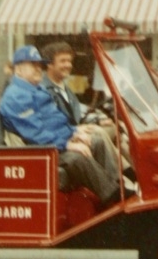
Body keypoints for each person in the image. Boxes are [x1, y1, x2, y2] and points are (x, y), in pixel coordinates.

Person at [0, 45, 120, 206]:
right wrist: (67, 144)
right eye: (32, 64)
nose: (38, 69)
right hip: (37, 152)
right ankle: (113, 197)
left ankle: (116, 189)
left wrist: (74, 132)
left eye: (39, 65)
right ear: (19, 70)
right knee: (78, 158)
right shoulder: (16, 96)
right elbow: (35, 134)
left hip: (50, 145)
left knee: (95, 141)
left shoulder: (36, 89)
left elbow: (56, 120)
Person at [40, 41, 120, 175]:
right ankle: (119, 178)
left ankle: (134, 174)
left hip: (75, 128)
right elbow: (53, 118)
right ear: (49, 64)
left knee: (118, 129)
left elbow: (79, 109)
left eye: (69, 61)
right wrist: (76, 129)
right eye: (63, 61)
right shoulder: (43, 89)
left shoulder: (63, 86)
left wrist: (98, 120)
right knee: (99, 134)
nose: (68, 65)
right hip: (64, 135)